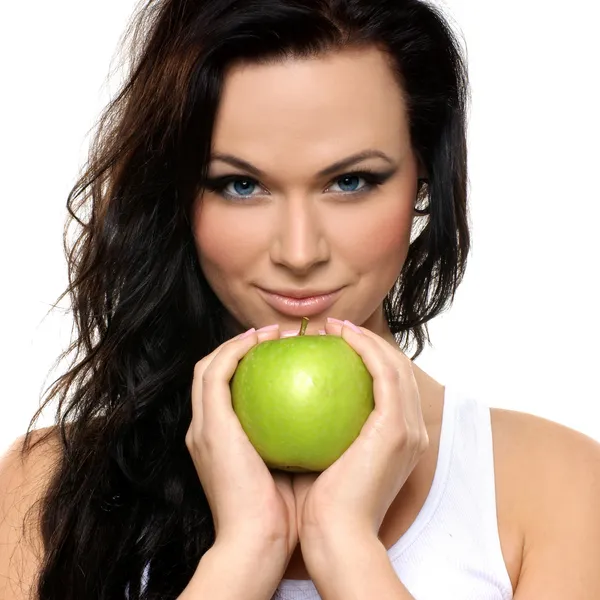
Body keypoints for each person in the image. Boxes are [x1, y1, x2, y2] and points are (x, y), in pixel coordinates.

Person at [1, 0, 599, 598]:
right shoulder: (47, 486)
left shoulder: (555, 485)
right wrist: (245, 552)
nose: (298, 251)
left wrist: (345, 548)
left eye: (350, 181)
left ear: (424, 178)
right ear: (178, 197)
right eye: (240, 185)